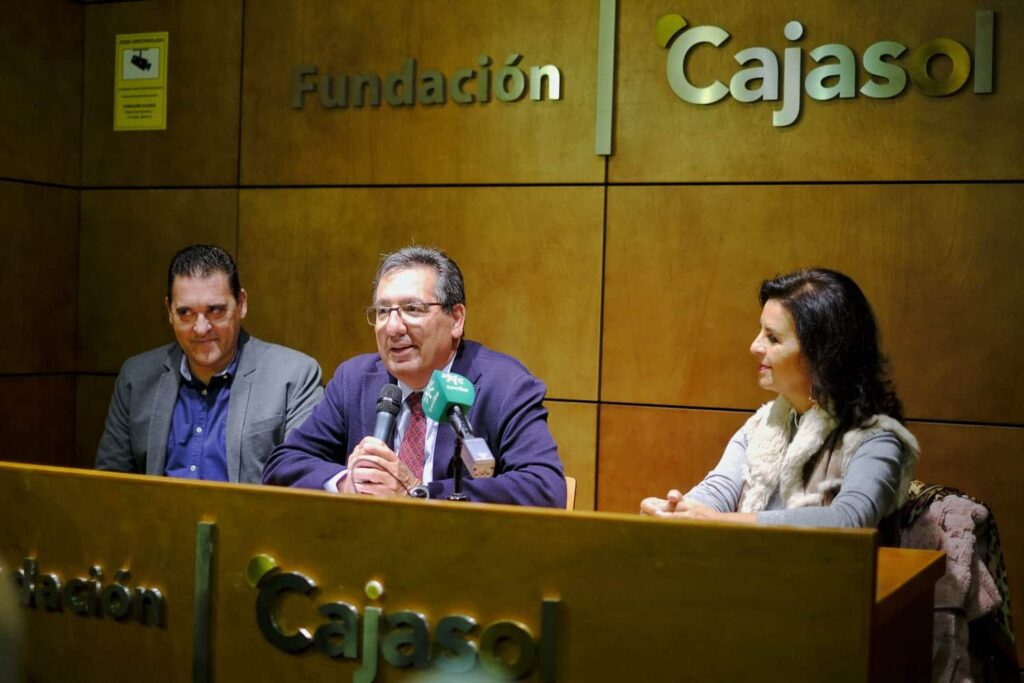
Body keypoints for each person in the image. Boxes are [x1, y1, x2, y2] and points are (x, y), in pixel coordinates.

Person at [262, 245, 566, 507]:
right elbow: (283, 464)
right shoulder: (354, 380)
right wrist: (347, 483)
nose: (393, 327)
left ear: (456, 319)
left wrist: (418, 494)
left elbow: (544, 488)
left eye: (412, 309)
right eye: (383, 312)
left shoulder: (504, 385)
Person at [640, 268, 919, 527]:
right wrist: (673, 510)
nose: (754, 346)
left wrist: (719, 520)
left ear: (821, 356)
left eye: (773, 338)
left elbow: (848, 520)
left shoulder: (875, 438)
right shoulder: (761, 426)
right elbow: (718, 491)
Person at [95, 244, 323, 484]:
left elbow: (304, 479)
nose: (201, 328)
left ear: (242, 304)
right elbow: (110, 484)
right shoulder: (137, 377)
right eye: (185, 313)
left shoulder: (293, 375)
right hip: (158, 520)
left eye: (215, 310)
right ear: (169, 312)